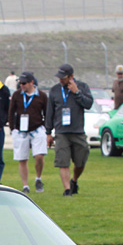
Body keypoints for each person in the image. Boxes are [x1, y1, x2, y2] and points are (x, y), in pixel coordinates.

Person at [44, 63, 93, 196]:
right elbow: (50, 112)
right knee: (63, 161)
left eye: (63, 77)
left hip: (77, 131)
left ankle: (74, 181)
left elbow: (88, 104)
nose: (60, 80)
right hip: (61, 132)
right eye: (59, 77)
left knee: (81, 161)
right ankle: (67, 189)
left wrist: (77, 93)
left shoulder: (82, 87)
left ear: (71, 77)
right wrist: (48, 132)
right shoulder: (54, 90)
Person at [8, 71, 48, 195]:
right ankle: (25, 185)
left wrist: (47, 128)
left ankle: (38, 178)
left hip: (37, 128)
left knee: (39, 156)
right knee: (22, 158)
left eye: (24, 83)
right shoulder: (17, 95)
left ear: (31, 82)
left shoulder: (41, 96)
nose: (22, 86)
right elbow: (11, 112)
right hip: (21, 130)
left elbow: (47, 113)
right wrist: (12, 128)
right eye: (20, 83)